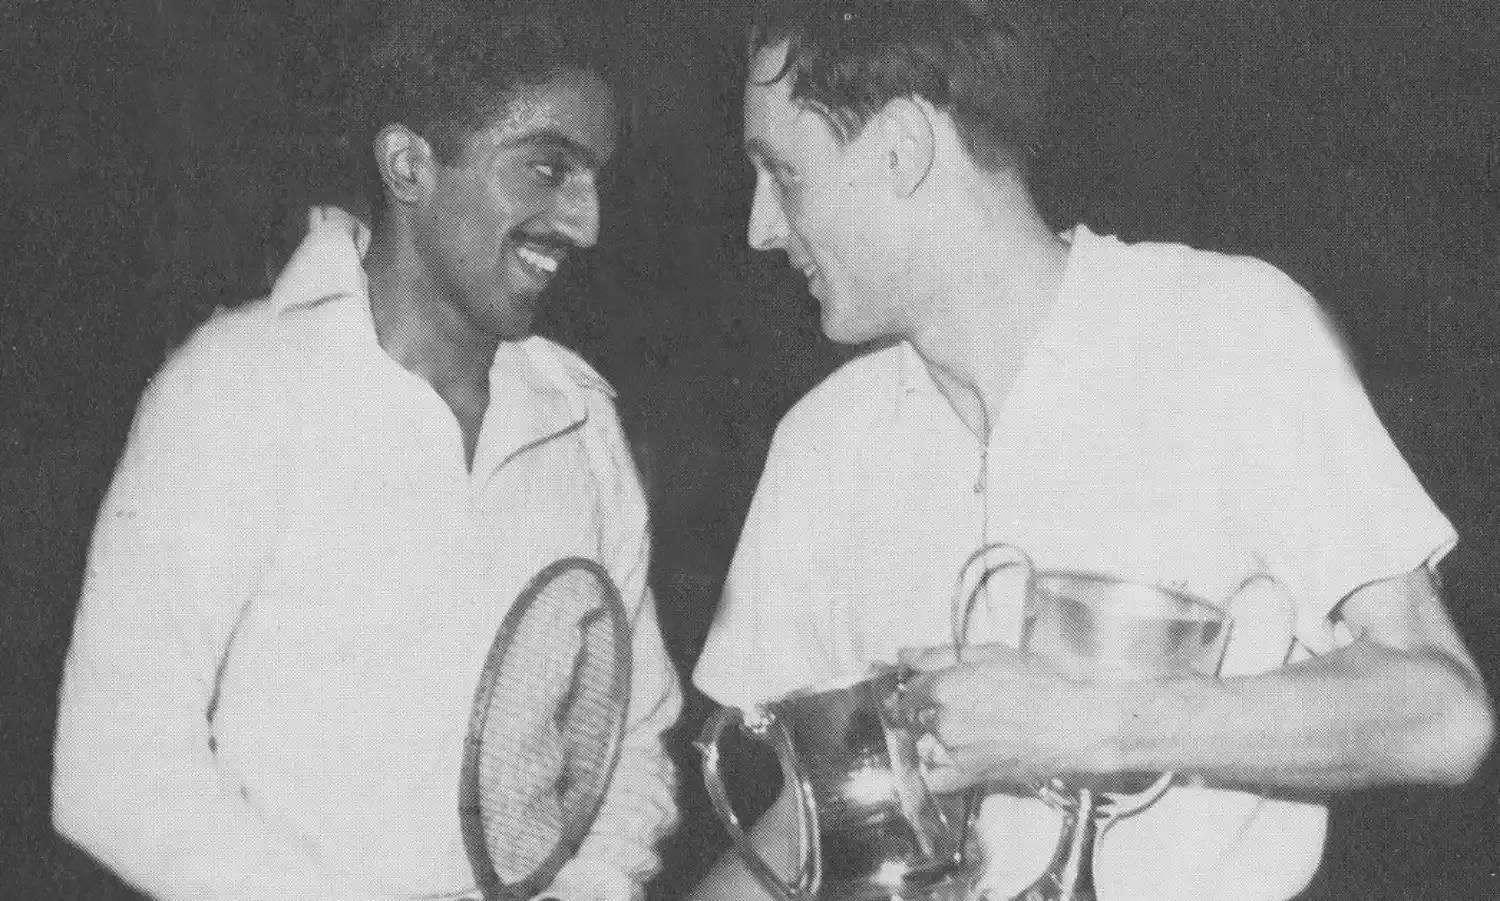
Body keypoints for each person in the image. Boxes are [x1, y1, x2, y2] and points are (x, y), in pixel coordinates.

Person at [689, 2, 1494, 900]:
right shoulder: (819, 443)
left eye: (784, 174)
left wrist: (1091, 723)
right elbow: (812, 821)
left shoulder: (1231, 331)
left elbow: (1443, 712)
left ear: (903, 149)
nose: (760, 226)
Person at [51, 2, 680, 899]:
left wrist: (592, 889)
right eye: (548, 168)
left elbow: (631, 738)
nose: (586, 223)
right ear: (409, 164)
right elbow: (113, 769)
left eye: (594, 179)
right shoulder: (235, 391)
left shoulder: (581, 423)